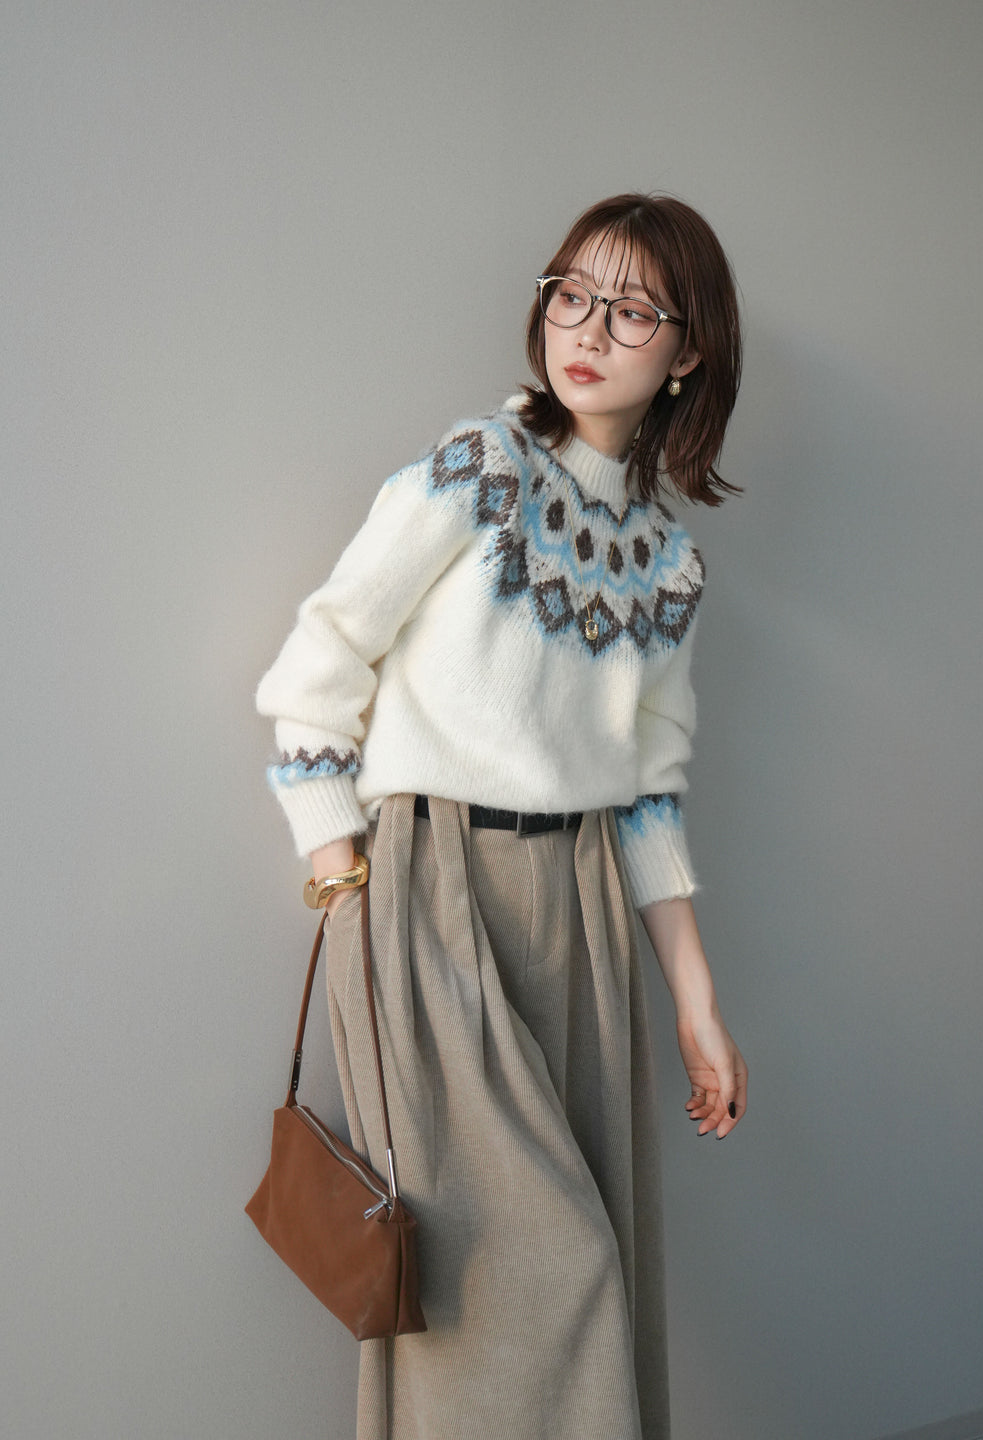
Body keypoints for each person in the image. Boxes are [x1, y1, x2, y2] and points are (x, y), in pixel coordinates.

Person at [255, 191, 748, 1440]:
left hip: (581, 913)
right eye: (571, 293)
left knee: (549, 1278)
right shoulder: (480, 469)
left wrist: (696, 1003)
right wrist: (344, 884)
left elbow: (648, 798)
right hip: (427, 895)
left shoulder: (668, 564)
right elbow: (319, 666)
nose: (588, 328)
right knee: (532, 1275)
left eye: (631, 309)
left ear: (687, 353)